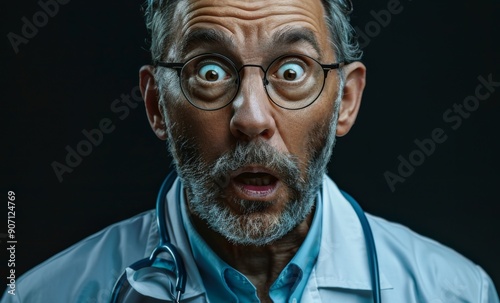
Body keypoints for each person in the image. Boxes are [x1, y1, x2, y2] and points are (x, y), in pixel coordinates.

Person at [2, 0, 498, 302]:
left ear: (345, 101)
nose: (253, 118)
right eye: (210, 72)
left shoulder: (456, 294)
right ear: (157, 106)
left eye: (292, 71)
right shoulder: (44, 297)